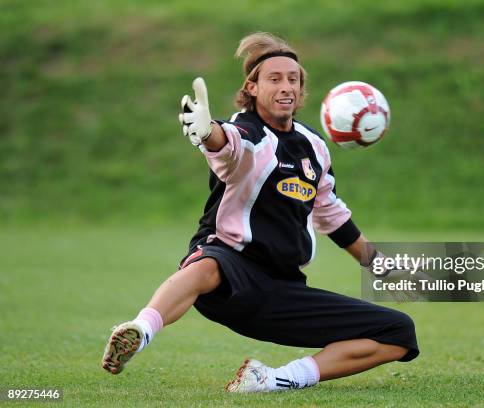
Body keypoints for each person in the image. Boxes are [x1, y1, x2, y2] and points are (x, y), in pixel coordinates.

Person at [102, 32, 419, 393]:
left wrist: (382, 267)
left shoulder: (313, 146)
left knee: (399, 333)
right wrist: (207, 131)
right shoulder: (248, 131)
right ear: (251, 87)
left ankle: (273, 379)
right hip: (231, 270)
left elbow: (333, 217)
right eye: (275, 78)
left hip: (282, 289)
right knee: (207, 264)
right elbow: (227, 142)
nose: (287, 87)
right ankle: (140, 330)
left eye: (294, 80)